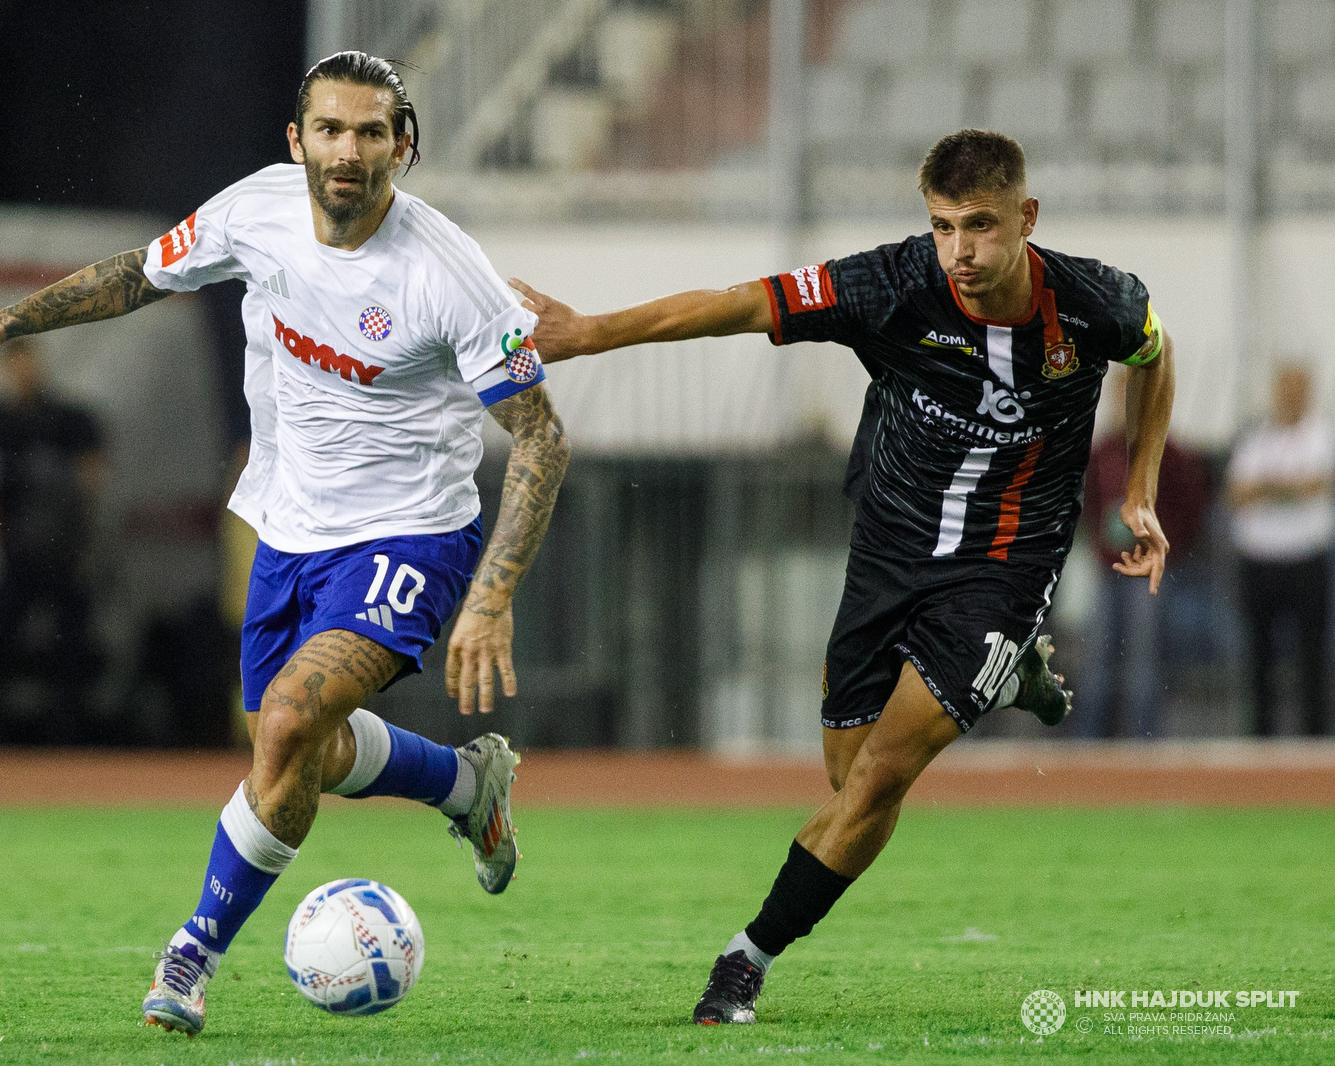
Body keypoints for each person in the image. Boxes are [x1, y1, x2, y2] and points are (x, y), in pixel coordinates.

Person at [0, 51, 570, 1034]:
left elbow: (541, 433)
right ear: (297, 140)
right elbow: (138, 274)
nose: (347, 152)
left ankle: (190, 958)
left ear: (406, 147)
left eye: (370, 133)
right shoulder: (255, 211)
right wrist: (1, 324)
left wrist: (490, 594)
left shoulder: (451, 276)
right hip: (285, 528)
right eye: (330, 130)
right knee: (297, 751)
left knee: (287, 721)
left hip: (408, 534)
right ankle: (465, 782)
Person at [515, 130, 1174, 1024]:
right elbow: (741, 304)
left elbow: (1154, 353)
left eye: (980, 226)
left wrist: (1138, 489)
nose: (961, 251)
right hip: (888, 552)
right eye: (943, 227)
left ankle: (745, 959)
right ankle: (1015, 674)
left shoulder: (1094, 300)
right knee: (846, 772)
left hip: (1006, 570)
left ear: (1027, 216)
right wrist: (589, 332)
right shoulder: (892, 284)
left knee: (879, 780)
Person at [0, 339, 104, 739]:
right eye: (13, 367)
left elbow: (92, 475)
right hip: (15, 548)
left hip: (64, 548)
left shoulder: (68, 418)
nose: (21, 374)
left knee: (70, 639)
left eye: (27, 364)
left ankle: (69, 729)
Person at [1076, 366, 1211, 738]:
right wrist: (1100, 543)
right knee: (1098, 658)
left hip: (1147, 569)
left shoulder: (1166, 450)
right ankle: (1089, 742)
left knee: (1143, 659)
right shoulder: (1102, 450)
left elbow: (1191, 505)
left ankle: (1142, 741)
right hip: (1110, 566)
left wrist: (1166, 546)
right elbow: (1086, 503)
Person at [1226, 364, 1332, 736]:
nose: (1290, 397)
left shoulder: (1322, 435)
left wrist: (1268, 488)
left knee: (1312, 657)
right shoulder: (1256, 436)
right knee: (1259, 657)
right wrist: (1289, 487)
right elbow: (1237, 494)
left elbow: (1320, 485)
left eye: (1297, 389)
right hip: (1260, 559)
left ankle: (1314, 738)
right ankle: (1261, 738)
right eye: (1285, 388)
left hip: (1306, 557)